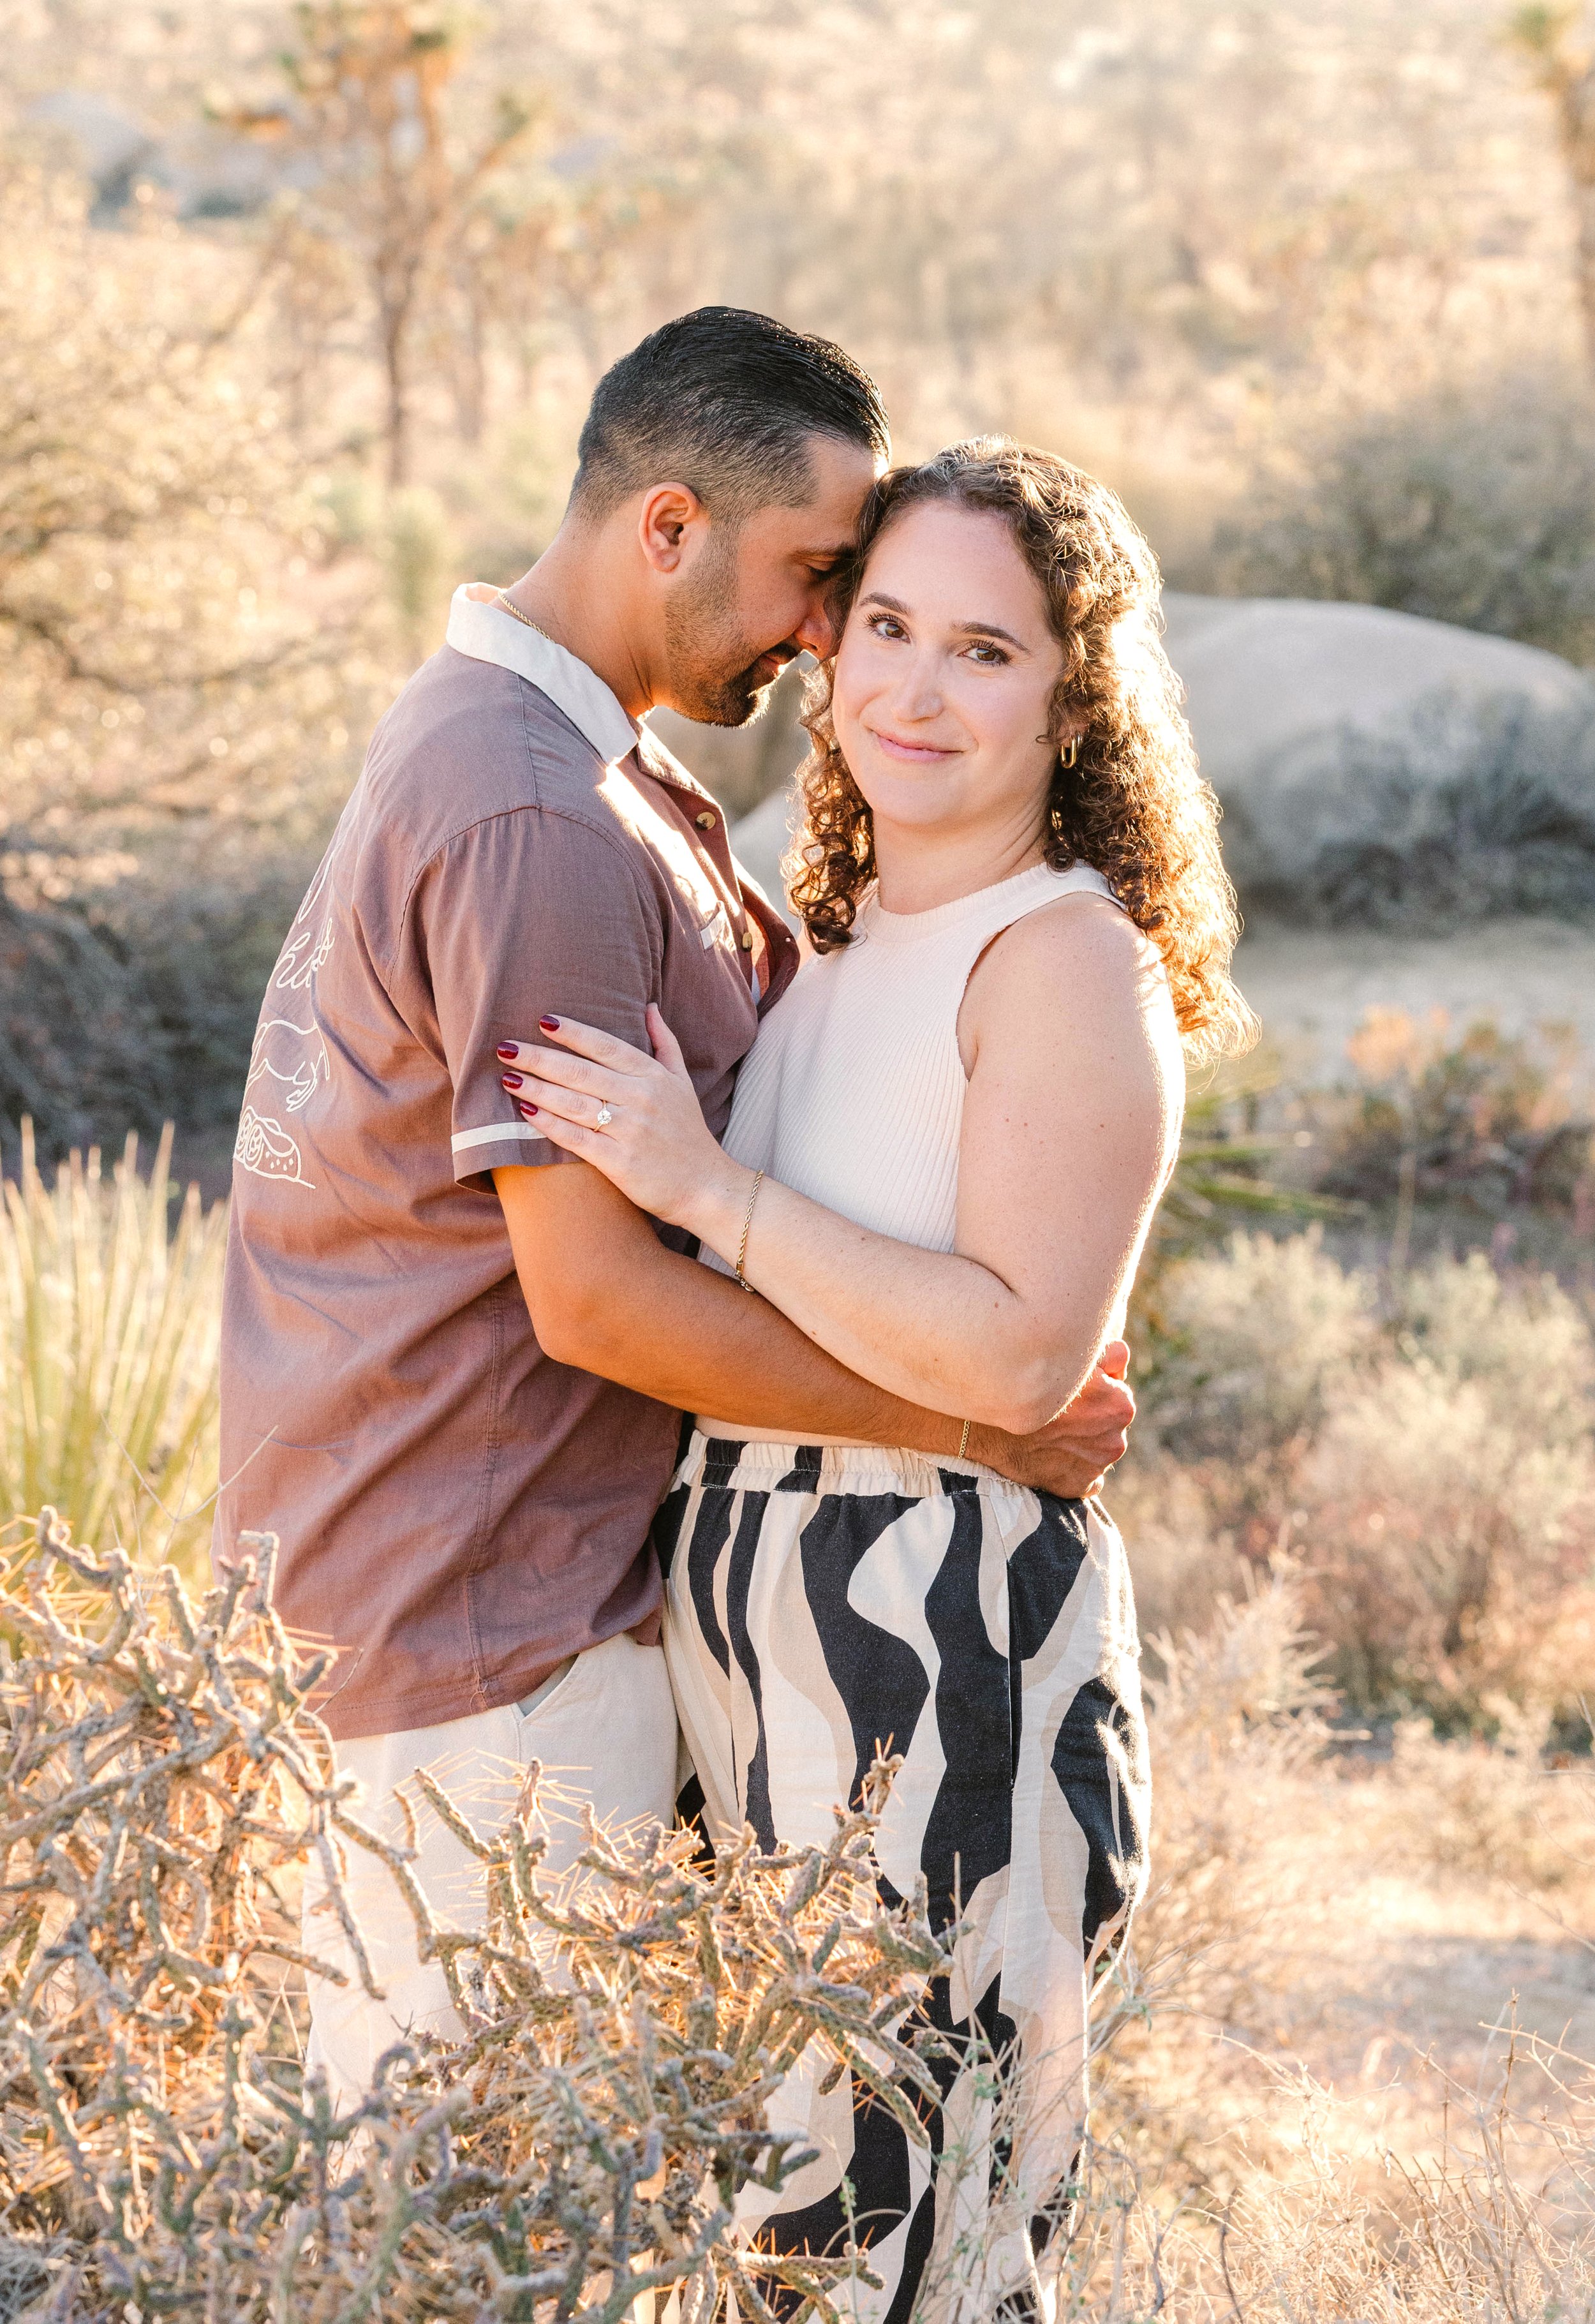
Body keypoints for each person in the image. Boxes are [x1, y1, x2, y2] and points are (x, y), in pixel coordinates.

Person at [214, 312, 1135, 2103]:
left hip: (503, 1607)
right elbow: (596, 1305)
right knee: (461, 2218)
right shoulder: (535, 812)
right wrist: (969, 1420)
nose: (821, 638)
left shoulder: (580, 766)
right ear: (664, 529)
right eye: (817, 581)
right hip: (492, 1638)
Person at [498, 437, 1257, 2319]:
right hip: (756, 1643)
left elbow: (1017, 1349)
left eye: (985, 651)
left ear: (1074, 700)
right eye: (887, 627)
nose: (913, 688)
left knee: (924, 2244)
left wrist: (705, 1187)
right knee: (781, 2237)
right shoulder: (830, 949)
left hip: (947, 1643)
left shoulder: (1061, 959)